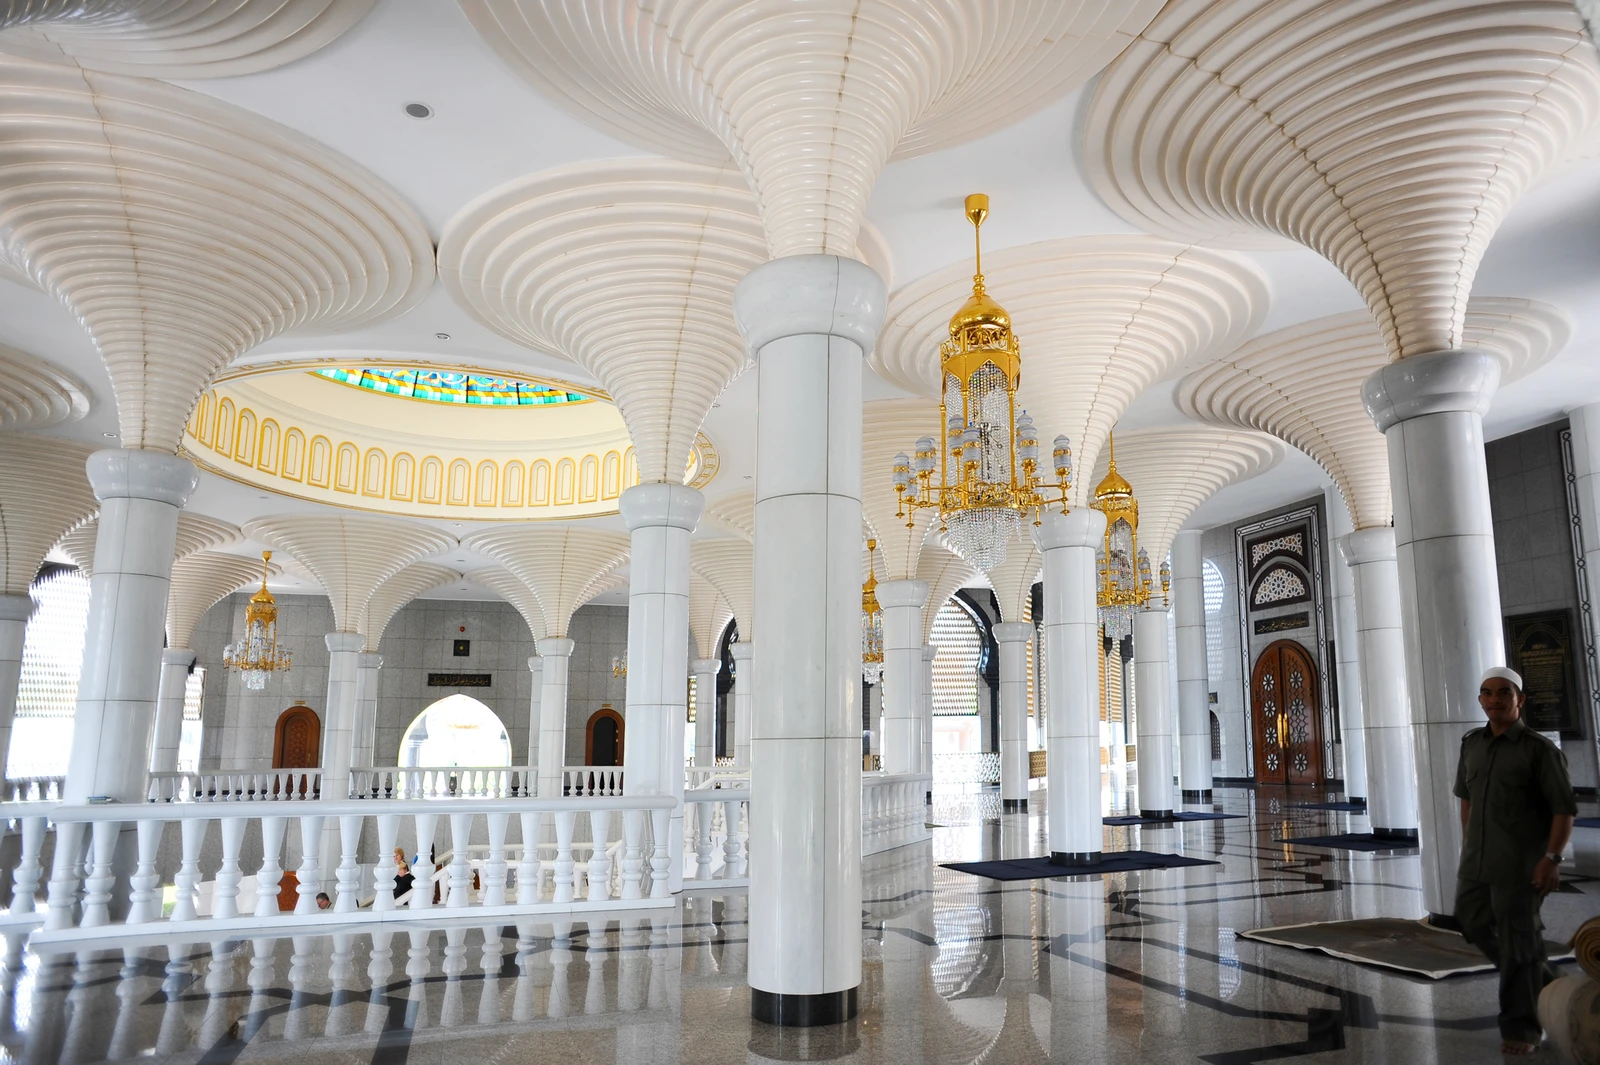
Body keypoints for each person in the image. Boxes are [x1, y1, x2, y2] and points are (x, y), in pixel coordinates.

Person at [1453, 666, 1577, 1057]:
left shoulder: (1539, 750)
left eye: (1504, 692)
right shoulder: (1472, 744)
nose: (1494, 700)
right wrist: (1469, 841)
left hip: (1521, 865)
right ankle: (1548, 978)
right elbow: (1466, 799)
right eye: (1487, 693)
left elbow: (1563, 809)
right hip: (1477, 861)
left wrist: (1551, 858)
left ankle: (1522, 1027)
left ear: (1520, 699)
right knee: (1471, 921)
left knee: (1518, 941)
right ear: (1480, 700)